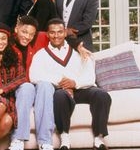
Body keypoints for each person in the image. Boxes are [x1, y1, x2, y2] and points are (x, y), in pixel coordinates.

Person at [8, 16, 91, 150]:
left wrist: (78, 46)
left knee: (45, 85)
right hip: (20, 88)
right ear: (16, 29)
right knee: (27, 87)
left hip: (38, 86)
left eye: (31, 34)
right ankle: (18, 139)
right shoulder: (7, 44)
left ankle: (45, 141)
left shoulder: (40, 38)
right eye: (24, 32)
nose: (27, 36)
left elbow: (61, 36)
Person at [29, 18, 111, 150]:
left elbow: (90, 76)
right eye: (52, 32)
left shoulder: (79, 51)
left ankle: (98, 137)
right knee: (60, 96)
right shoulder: (41, 55)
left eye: (60, 32)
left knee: (102, 95)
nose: (56, 36)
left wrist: (74, 83)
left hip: (80, 89)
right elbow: (34, 76)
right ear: (47, 34)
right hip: (61, 91)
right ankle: (64, 137)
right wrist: (60, 82)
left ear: (65, 33)